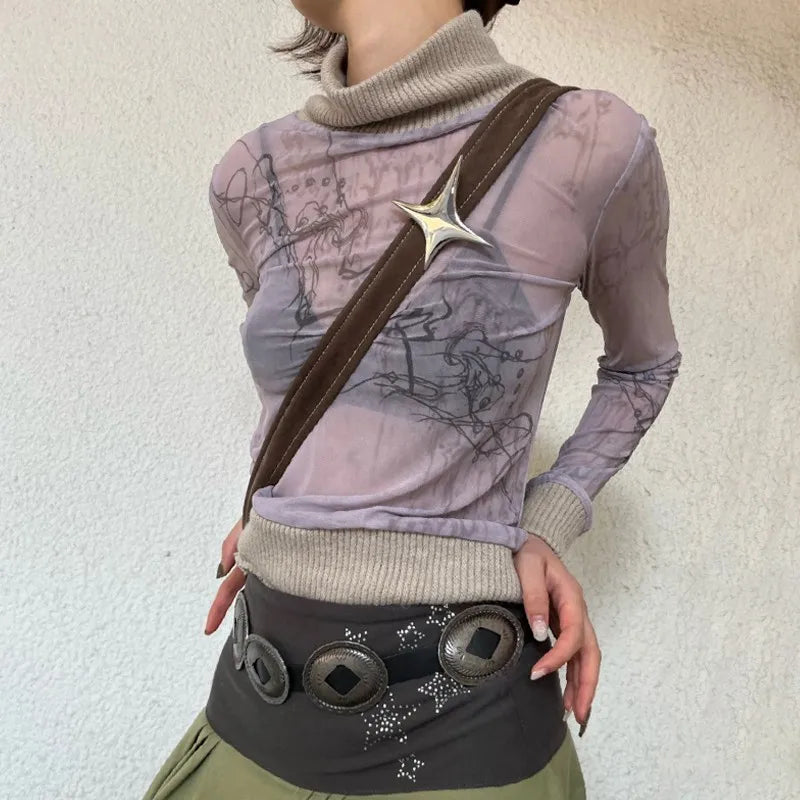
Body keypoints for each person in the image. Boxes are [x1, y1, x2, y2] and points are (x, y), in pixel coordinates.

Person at [141, 1, 681, 798]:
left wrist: (549, 517)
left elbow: (644, 365)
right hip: (258, 696)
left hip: (465, 728)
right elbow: (312, 376)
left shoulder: (589, 140)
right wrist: (282, 515)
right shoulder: (251, 173)